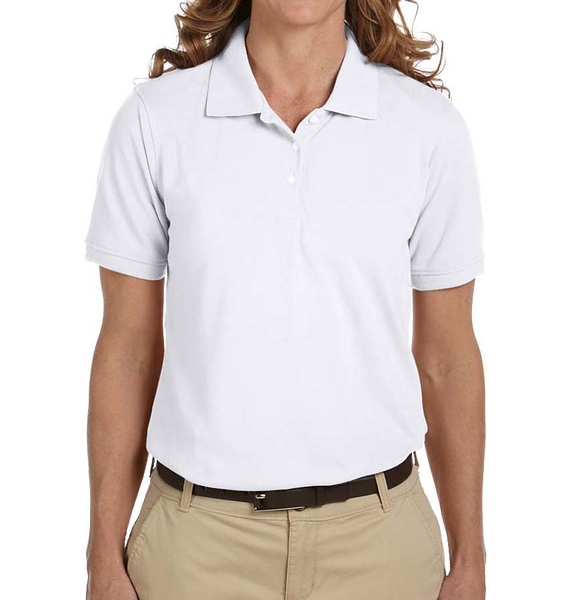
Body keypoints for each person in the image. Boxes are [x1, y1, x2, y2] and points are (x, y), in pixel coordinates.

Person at [84, 1, 486, 599]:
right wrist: (102, 555)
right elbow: (128, 352)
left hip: (381, 549)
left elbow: (448, 359)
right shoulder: (155, 121)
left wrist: (471, 556)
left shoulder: (427, 128)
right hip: (195, 550)